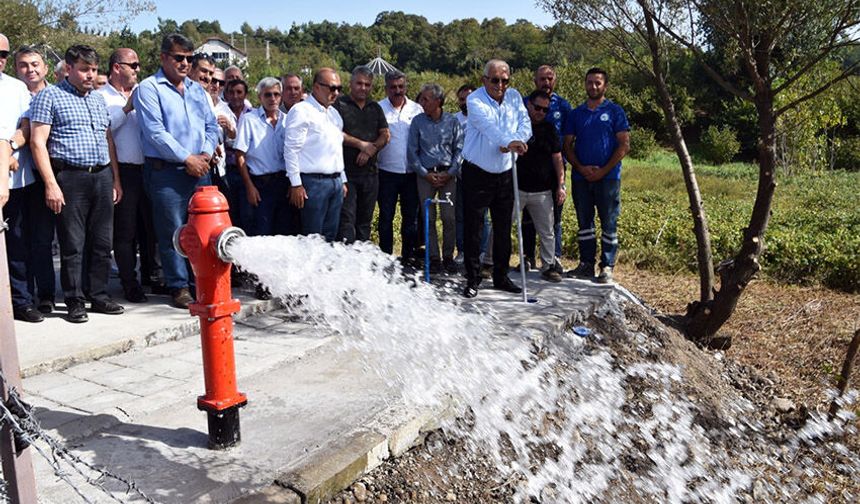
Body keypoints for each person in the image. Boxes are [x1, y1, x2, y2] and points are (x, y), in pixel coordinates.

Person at [29, 44, 124, 323]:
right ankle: (74, 299)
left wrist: (115, 179)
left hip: (102, 174)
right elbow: (37, 142)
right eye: (84, 69)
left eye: (94, 70)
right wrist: (50, 183)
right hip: (70, 177)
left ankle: (99, 294)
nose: (90, 75)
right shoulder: (50, 96)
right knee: (72, 244)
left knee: (102, 241)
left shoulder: (97, 99)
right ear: (68, 68)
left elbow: (108, 140)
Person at [135, 33, 219, 308]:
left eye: (189, 58)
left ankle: (201, 281)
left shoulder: (197, 90)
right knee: (173, 230)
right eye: (179, 58)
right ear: (163, 58)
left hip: (201, 169)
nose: (185, 63)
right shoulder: (149, 88)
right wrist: (187, 159)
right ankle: (178, 286)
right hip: (167, 173)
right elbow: (156, 133)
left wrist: (205, 154)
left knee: (203, 229)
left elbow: (212, 127)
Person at [461, 59, 531, 298]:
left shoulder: (514, 97)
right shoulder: (475, 100)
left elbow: (525, 123)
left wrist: (518, 141)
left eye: (505, 80)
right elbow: (488, 126)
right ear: (484, 80)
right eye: (495, 80)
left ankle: (501, 276)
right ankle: (472, 278)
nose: (500, 85)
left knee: (503, 228)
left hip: (505, 172)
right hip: (477, 173)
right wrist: (506, 141)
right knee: (475, 228)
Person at [97, 48, 155, 303]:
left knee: (150, 228)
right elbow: (104, 129)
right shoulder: (100, 97)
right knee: (125, 232)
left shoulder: (146, 92)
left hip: (150, 168)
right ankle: (129, 283)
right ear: (117, 67)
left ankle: (150, 276)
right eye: (133, 64)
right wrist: (128, 107)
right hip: (123, 170)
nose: (137, 69)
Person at [563, 67, 630, 283]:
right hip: (581, 178)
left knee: (609, 222)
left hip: (608, 178)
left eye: (597, 83)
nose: (593, 86)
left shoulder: (615, 111)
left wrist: (603, 170)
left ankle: (607, 266)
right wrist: (580, 168)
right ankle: (586, 264)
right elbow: (567, 145)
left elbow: (623, 145)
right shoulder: (576, 113)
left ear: (605, 85)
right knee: (584, 223)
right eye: (589, 82)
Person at [1, 33, 45, 322]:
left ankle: (21, 300)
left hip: (16, 181)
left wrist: (11, 148)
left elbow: (26, 125)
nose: (0, 59)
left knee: (18, 243)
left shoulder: (16, 88)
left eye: (3, 54)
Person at [13, 45, 56, 311]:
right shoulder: (12, 96)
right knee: (19, 238)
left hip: (51, 176)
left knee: (44, 239)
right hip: (18, 177)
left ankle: (47, 294)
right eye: (23, 65)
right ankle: (23, 297)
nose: (30, 70)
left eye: (35, 64)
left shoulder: (59, 94)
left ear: (45, 68)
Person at [284, 67, 347, 242]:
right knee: (312, 238)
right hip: (313, 183)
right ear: (317, 87)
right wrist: (296, 183)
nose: (336, 93)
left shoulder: (334, 114)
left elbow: (336, 148)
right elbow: (291, 149)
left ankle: (325, 270)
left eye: (339, 89)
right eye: (332, 88)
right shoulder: (301, 110)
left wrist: (342, 178)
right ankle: (310, 270)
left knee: (330, 237)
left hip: (334, 182)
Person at [408, 83, 463, 274]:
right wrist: (425, 174)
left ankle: (448, 257)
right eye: (421, 98)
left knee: (449, 217)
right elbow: (412, 152)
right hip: (425, 176)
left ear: (438, 101)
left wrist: (450, 172)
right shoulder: (417, 122)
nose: (421, 102)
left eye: (425, 99)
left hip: (448, 175)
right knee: (428, 218)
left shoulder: (452, 121)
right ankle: (434, 258)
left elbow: (459, 149)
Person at [522, 65, 572, 270]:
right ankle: (527, 257)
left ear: (555, 80)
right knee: (526, 218)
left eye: (550, 78)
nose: (546, 82)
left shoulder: (564, 105)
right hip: (526, 171)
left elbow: (568, 139)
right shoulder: (523, 103)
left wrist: (562, 181)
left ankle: (553, 259)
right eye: (542, 78)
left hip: (553, 168)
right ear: (535, 80)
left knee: (552, 219)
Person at [333, 65, 389, 244]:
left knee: (365, 222)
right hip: (346, 174)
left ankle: (363, 262)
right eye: (359, 83)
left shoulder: (375, 107)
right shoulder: (339, 105)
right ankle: (348, 262)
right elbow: (334, 133)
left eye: (367, 84)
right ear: (351, 84)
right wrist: (361, 145)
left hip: (371, 174)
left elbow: (385, 134)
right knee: (347, 220)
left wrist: (372, 148)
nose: (363, 88)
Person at [515, 90, 565, 283]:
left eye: (545, 110)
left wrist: (560, 185)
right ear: (529, 105)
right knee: (501, 225)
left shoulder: (550, 129)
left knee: (547, 231)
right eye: (537, 108)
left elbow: (558, 159)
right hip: (517, 188)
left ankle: (549, 265)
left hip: (543, 190)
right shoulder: (517, 126)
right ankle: (490, 262)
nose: (540, 112)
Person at [377, 70, 423, 263]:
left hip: (411, 173)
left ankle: (408, 256)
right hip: (386, 172)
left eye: (401, 86)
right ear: (387, 88)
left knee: (410, 217)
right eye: (393, 87)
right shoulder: (378, 108)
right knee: (386, 217)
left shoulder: (417, 109)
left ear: (406, 87)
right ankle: (385, 256)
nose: (397, 91)